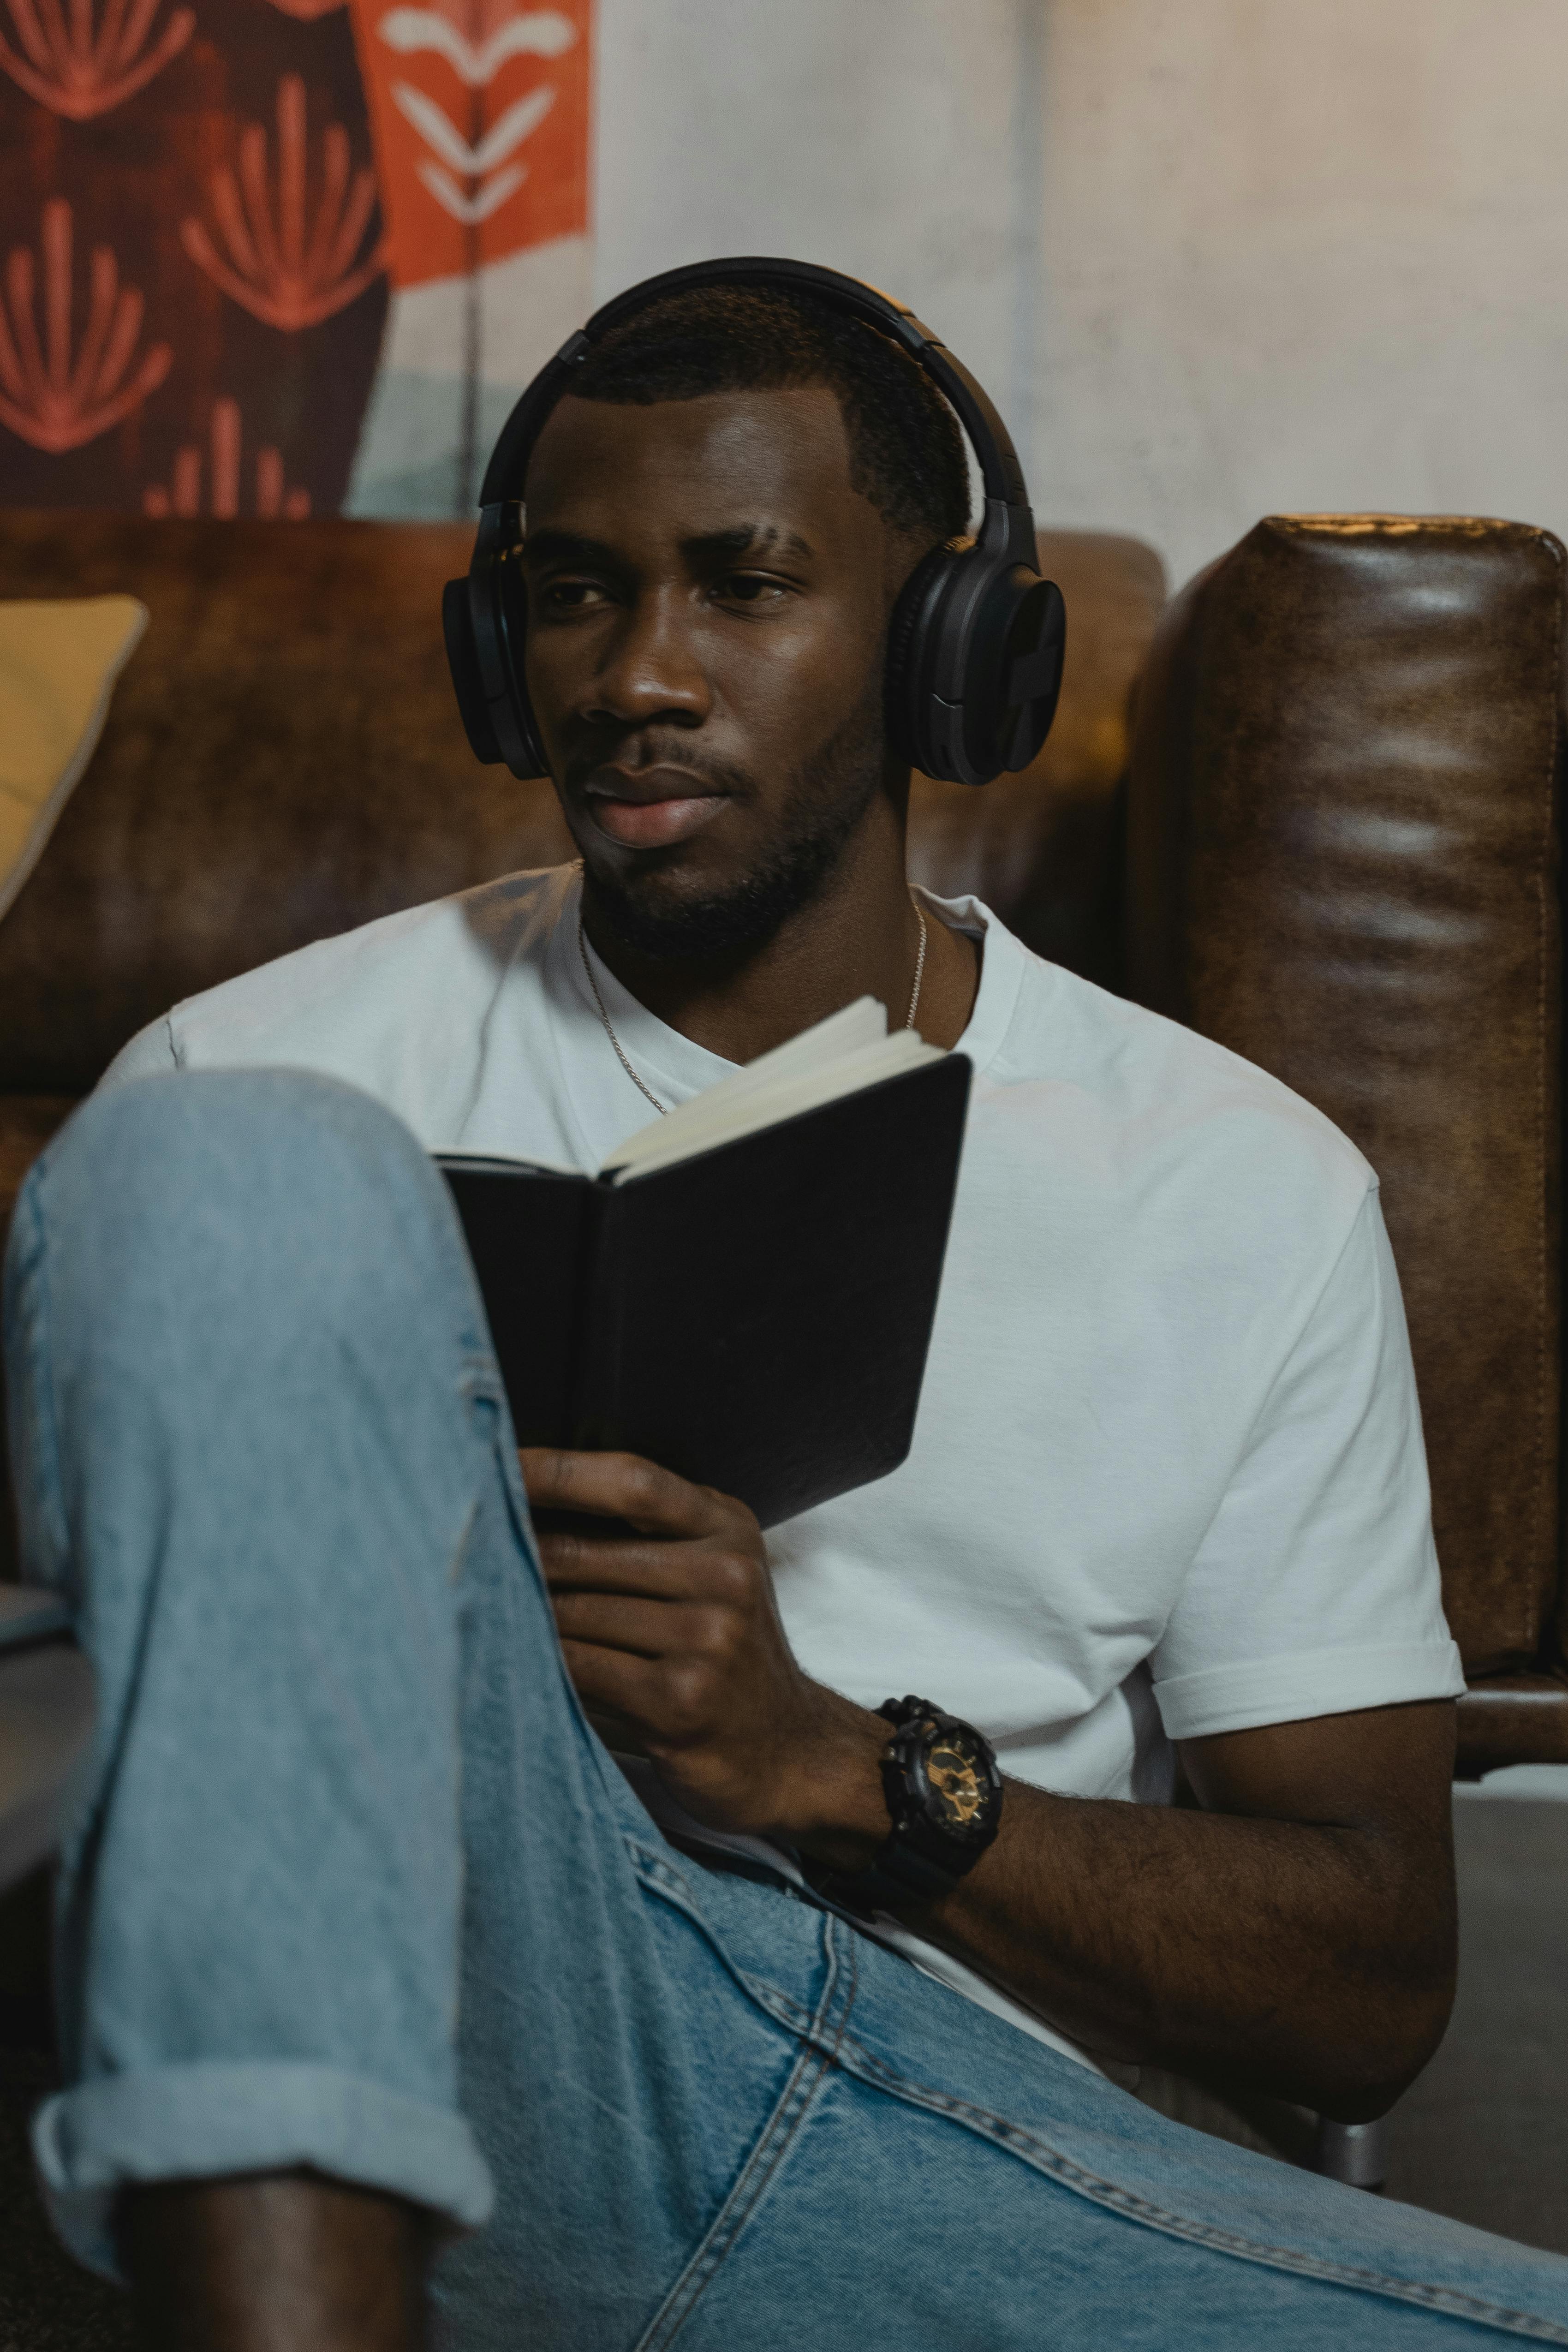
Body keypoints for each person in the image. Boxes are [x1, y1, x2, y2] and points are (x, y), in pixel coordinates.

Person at [6, 268, 1568, 2352]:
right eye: (571, 596)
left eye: (743, 588)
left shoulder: (1233, 1182)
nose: (637, 674)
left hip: (949, 2150)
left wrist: (828, 1767)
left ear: (949, 653)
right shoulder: (243, 1076)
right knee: (243, 1177)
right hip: (442, 2066)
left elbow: (1368, 1985)